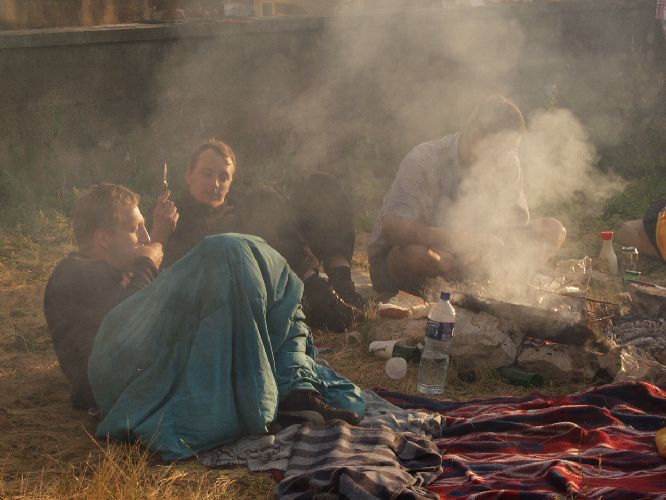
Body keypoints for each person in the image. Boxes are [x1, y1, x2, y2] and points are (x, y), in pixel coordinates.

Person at [44, 184, 364, 459]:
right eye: (135, 228)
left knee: (253, 277)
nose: (146, 235)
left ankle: (296, 390)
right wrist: (148, 261)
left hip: (146, 366)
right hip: (114, 383)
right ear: (103, 238)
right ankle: (267, 394)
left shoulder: (118, 271)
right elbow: (120, 329)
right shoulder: (72, 273)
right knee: (226, 248)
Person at [367, 95, 566, 296]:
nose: (504, 158)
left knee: (552, 230)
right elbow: (394, 229)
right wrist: (462, 240)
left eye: (510, 149)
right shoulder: (425, 159)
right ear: (475, 136)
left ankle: (487, 288)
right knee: (414, 256)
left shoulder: (508, 162)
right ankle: (445, 291)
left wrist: (494, 246)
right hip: (427, 259)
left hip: (470, 263)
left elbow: (513, 227)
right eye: (499, 150)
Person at [161, 140, 363, 332]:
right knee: (263, 200)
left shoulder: (237, 207)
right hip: (249, 285)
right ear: (189, 174)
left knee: (321, 185)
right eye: (207, 174)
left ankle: (342, 285)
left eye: (223, 177)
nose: (215, 183)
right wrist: (159, 232)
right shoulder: (172, 217)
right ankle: (317, 293)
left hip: (286, 259)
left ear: (231, 182)